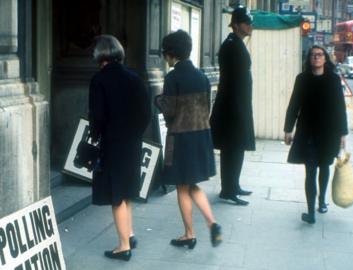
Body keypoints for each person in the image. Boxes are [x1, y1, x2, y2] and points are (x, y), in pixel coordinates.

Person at [155, 30, 222, 249]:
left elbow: (170, 113)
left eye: (165, 54)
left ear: (171, 54)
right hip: (201, 136)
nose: (165, 58)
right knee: (191, 183)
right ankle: (212, 222)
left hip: (181, 140)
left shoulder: (172, 77)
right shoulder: (202, 76)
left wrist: (159, 101)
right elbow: (207, 108)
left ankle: (189, 234)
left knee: (182, 188)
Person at [89, 35, 151, 261]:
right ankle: (130, 233)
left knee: (116, 196)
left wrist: (96, 136)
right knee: (127, 191)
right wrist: (134, 133)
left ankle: (124, 246)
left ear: (99, 55)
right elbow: (146, 113)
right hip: (132, 143)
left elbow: (98, 116)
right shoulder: (134, 78)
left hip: (112, 144)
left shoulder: (99, 80)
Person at [284, 45, 348, 224]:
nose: (316, 58)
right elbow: (294, 104)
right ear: (309, 59)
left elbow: (340, 108)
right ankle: (311, 211)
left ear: (325, 59)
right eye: (313, 55)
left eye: (319, 55)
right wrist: (288, 129)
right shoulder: (302, 79)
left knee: (325, 167)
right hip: (308, 133)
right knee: (310, 170)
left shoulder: (333, 80)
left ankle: (322, 201)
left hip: (329, 133)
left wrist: (343, 134)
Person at [210, 6, 255, 206]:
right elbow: (232, 82)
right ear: (236, 25)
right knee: (232, 148)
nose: (250, 26)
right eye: (246, 23)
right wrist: (239, 110)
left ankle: (233, 185)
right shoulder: (231, 45)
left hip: (238, 105)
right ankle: (227, 190)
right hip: (232, 108)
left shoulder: (236, 43)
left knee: (237, 148)